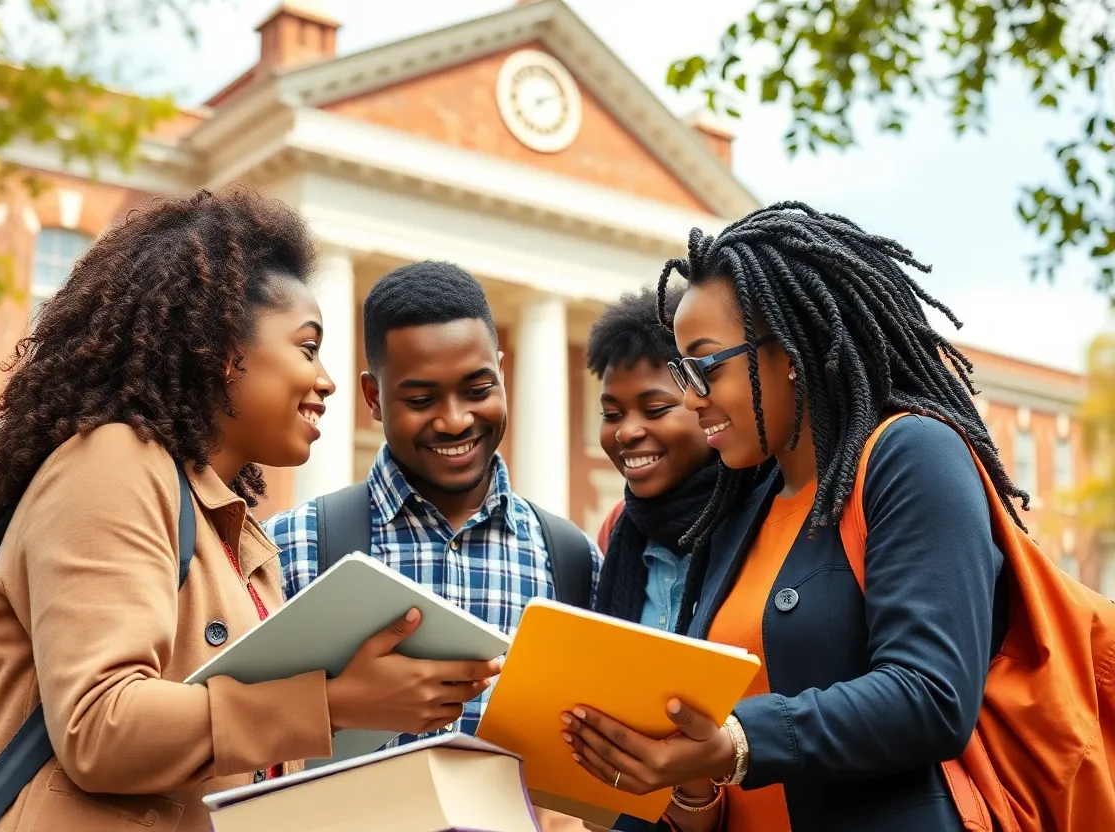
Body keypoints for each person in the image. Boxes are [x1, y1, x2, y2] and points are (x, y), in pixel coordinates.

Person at [0, 189, 501, 832]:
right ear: (224, 350)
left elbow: (238, 757)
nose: (328, 379)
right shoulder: (111, 463)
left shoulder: (234, 528)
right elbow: (99, 727)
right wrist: (331, 703)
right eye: (308, 347)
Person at [560, 204, 1016, 832]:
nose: (693, 399)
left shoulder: (910, 455)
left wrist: (735, 742)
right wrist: (687, 780)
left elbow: (931, 695)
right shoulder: (740, 509)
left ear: (794, 351)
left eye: (706, 365)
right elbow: (723, 771)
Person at [267, 260, 602, 748]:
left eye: (478, 389)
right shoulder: (292, 547)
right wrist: (333, 704)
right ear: (373, 397)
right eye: (422, 400)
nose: (454, 420)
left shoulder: (573, 561)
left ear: (502, 376)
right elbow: (239, 744)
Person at [587, 286, 718, 631]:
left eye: (655, 409)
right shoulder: (618, 528)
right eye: (611, 414)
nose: (627, 432)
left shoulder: (767, 511)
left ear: (707, 403)